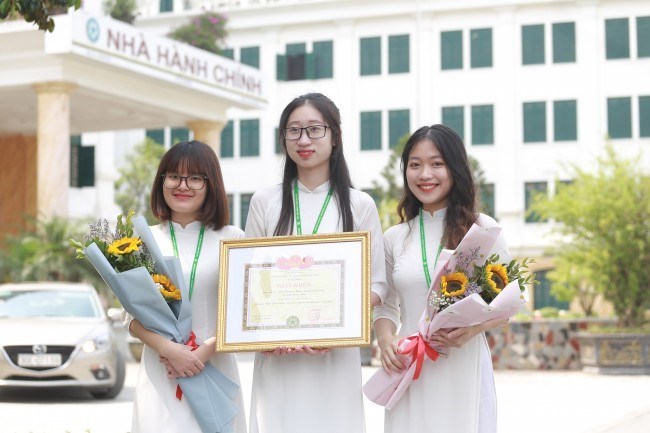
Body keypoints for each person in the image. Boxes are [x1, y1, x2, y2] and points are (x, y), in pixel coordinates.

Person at [245, 93, 387, 433]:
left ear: (335, 136)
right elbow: (248, 281)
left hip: (334, 356)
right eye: (293, 130)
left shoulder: (360, 205)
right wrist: (265, 334)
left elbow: (378, 285)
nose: (304, 140)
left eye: (314, 129)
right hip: (278, 355)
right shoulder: (264, 201)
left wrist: (331, 327)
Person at [373, 124, 509, 433]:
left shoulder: (482, 228)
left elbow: (506, 303)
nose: (425, 174)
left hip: (462, 360)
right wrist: (385, 340)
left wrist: (473, 329)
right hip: (409, 363)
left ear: (455, 168)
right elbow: (386, 305)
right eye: (415, 165)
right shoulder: (395, 237)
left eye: (437, 163)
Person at [123, 140, 247, 433]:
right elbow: (131, 319)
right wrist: (170, 350)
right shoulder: (143, 239)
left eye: (195, 178)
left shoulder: (232, 237)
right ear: (161, 181)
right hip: (161, 370)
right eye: (174, 176)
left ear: (211, 184)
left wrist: (200, 354)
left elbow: (240, 313)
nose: (182, 185)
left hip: (214, 368)